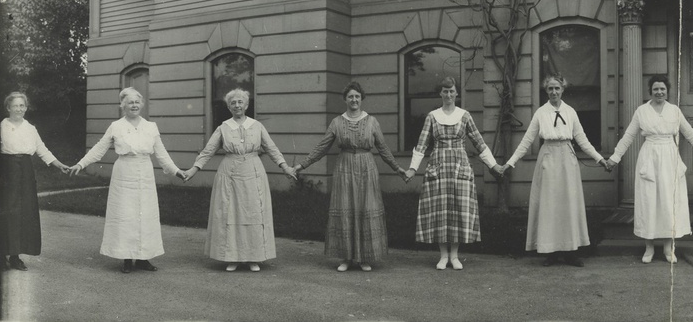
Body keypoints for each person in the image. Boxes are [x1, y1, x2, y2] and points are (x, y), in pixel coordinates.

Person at [288, 82, 403, 272]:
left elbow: (383, 148)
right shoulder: (337, 122)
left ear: (362, 98)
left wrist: (398, 169)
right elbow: (322, 147)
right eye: (350, 96)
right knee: (345, 209)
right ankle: (347, 258)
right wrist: (301, 166)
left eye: (357, 96)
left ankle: (364, 257)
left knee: (365, 209)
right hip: (345, 168)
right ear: (345, 99)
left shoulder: (372, 122)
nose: (354, 100)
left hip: (367, 168)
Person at [69, 87, 184, 273]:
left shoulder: (150, 127)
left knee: (145, 215)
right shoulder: (116, 126)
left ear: (142, 105)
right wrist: (80, 165)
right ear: (123, 105)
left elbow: (161, 154)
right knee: (126, 216)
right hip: (124, 173)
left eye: (137, 102)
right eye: (130, 102)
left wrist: (177, 171)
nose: (134, 105)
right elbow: (99, 149)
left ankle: (143, 258)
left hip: (145, 173)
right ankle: (126, 258)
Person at [498, 76, 608, 267]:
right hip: (548, 156)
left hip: (567, 157)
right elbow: (526, 141)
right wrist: (509, 163)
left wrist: (600, 159)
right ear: (546, 91)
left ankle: (571, 252)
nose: (554, 92)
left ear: (563, 89)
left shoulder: (570, 112)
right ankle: (551, 252)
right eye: (550, 89)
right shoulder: (541, 113)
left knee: (568, 205)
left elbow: (582, 139)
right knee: (549, 206)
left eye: (557, 88)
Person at [180, 89, 293, 272]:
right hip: (230, 174)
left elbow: (271, 148)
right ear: (228, 106)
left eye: (240, 102)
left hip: (253, 173)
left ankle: (253, 258)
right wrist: (193, 169)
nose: (237, 105)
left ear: (247, 105)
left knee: (254, 213)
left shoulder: (256, 126)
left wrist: (285, 167)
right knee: (230, 213)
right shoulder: (223, 127)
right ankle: (232, 257)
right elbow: (208, 151)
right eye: (233, 103)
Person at [606, 75, 693, 264]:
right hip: (649, 157)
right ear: (650, 91)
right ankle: (648, 247)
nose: (659, 92)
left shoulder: (674, 111)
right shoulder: (641, 111)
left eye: (662, 89)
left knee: (668, 202)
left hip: (670, 158)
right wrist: (615, 158)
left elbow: (690, 133)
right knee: (649, 201)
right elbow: (628, 136)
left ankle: (667, 247)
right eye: (656, 89)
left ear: (667, 91)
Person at [400, 77, 500, 271]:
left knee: (458, 209)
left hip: (459, 166)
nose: (448, 95)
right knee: (440, 209)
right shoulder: (432, 116)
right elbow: (421, 144)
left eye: (451, 91)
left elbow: (479, 142)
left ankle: (454, 255)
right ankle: (443, 255)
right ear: (441, 94)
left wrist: (493, 165)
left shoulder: (464, 116)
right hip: (437, 166)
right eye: (445, 91)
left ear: (456, 94)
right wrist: (413, 168)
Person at [1, 92, 70, 271]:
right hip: (5, 171)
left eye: (22, 106)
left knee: (23, 212)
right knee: (6, 211)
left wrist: (58, 164)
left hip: (25, 171)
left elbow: (41, 149)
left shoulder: (30, 128)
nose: (19, 109)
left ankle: (15, 256)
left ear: (26, 108)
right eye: (15, 106)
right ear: (8, 108)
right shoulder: (2, 126)